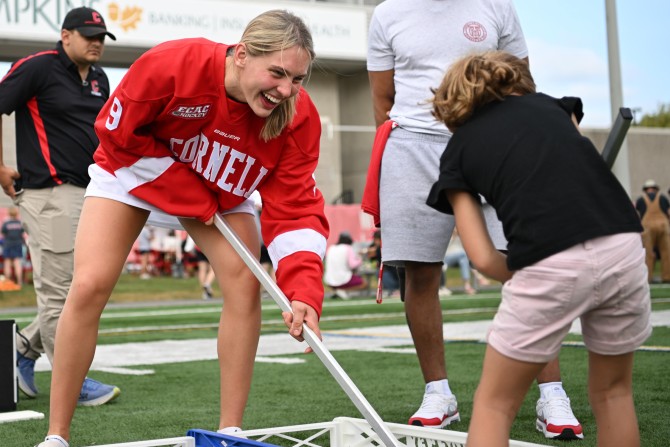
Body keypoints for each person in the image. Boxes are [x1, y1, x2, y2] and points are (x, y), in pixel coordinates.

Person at [34, 10, 329, 447]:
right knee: (91, 283)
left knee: (245, 283)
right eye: (278, 73)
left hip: (220, 192)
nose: (286, 91)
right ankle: (56, 434)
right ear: (243, 55)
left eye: (298, 79)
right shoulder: (172, 64)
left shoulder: (297, 115)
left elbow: (296, 204)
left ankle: (231, 431)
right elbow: (118, 136)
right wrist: (191, 197)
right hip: (134, 174)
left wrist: (304, 290)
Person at [366, 1, 581, 438]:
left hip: (495, 144)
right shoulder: (387, 13)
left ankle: (553, 395)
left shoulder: (497, 6)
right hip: (413, 145)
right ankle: (438, 394)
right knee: (420, 273)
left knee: (526, 266)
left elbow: (521, 81)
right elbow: (382, 99)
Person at [427, 50, 651, 447]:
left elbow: (482, 257)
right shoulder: (554, 109)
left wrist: (531, 275)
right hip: (623, 242)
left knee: (495, 403)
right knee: (614, 392)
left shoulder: (458, 150)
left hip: (547, 259)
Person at [0, 7, 120, 405]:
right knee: (61, 294)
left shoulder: (101, 78)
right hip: (49, 193)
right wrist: (0, 167)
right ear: (65, 35)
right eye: (88, 35)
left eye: (101, 37)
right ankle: (74, 379)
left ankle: (21, 349)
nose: (96, 43)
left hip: (94, 194)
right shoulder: (36, 68)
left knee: (87, 288)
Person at [635, 179, 670, 283]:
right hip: (663, 226)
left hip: (647, 228)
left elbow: (638, 215)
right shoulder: (663, 198)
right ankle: (667, 277)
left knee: (648, 253)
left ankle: (648, 277)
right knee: (666, 252)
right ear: (656, 189)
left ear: (645, 190)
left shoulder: (640, 200)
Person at [323, 231, 368, 299]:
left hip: (329, 280)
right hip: (343, 279)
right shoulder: (348, 248)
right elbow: (352, 265)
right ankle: (342, 291)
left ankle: (337, 291)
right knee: (364, 284)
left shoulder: (331, 248)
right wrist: (360, 259)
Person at [442, 230, 476, 295]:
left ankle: (467, 285)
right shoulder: (446, 236)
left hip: (459, 259)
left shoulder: (460, 238)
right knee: (464, 254)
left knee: (463, 260)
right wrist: (453, 237)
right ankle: (477, 277)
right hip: (446, 258)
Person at [1, 207, 25, 286]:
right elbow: (22, 233)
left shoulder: (6, 223)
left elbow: (3, 233)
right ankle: (19, 282)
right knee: (17, 263)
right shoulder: (19, 223)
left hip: (8, 244)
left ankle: (7, 282)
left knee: (7, 263)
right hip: (18, 244)